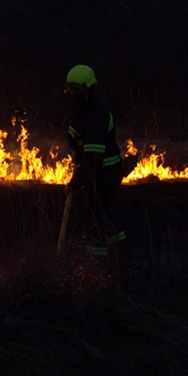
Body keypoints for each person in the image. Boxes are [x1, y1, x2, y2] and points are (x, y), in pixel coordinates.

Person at [63, 64, 126, 274]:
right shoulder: (80, 112)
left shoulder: (96, 115)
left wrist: (76, 182)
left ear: (87, 91)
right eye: (69, 91)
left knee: (99, 218)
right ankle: (104, 269)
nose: (72, 96)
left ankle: (103, 272)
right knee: (97, 218)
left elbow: (92, 159)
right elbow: (78, 145)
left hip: (105, 174)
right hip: (94, 172)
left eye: (76, 92)